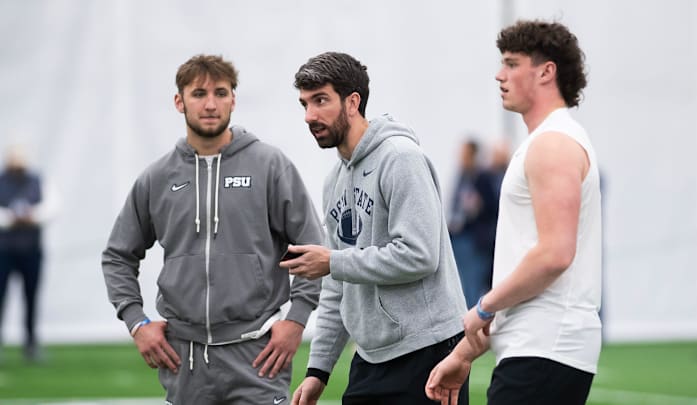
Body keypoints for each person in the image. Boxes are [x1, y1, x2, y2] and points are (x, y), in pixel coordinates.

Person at [101, 54, 324, 404]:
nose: (210, 104)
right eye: (198, 93)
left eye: (221, 93)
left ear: (233, 99)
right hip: (184, 362)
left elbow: (312, 247)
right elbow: (117, 256)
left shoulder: (269, 165)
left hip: (258, 357)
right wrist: (136, 322)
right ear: (179, 101)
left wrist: (296, 320)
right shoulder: (157, 178)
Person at [426, 19, 602, 405]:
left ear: (546, 71)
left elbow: (555, 254)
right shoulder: (545, 140)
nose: (498, 74)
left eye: (510, 63)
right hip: (538, 348)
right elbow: (528, 263)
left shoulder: (553, 143)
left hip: (546, 348)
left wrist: (484, 307)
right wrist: (464, 353)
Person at [283, 51, 469, 405]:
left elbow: (419, 255)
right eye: (305, 104)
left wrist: (333, 261)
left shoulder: (401, 158)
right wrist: (318, 371)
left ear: (352, 102)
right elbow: (337, 286)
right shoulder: (334, 180)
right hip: (371, 357)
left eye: (321, 100)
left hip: (429, 352)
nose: (310, 116)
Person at [0, 145, 51, 362]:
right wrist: (11, 218)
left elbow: (51, 207)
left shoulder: (36, 180)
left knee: (31, 297)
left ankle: (30, 342)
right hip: (4, 250)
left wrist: (33, 216)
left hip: (31, 249)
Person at [447, 139, 499, 308]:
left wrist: (478, 206)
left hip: (476, 242)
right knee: (461, 282)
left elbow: (492, 207)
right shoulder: (462, 175)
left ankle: (473, 321)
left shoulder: (482, 177)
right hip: (459, 238)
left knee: (473, 285)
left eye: (464, 153)